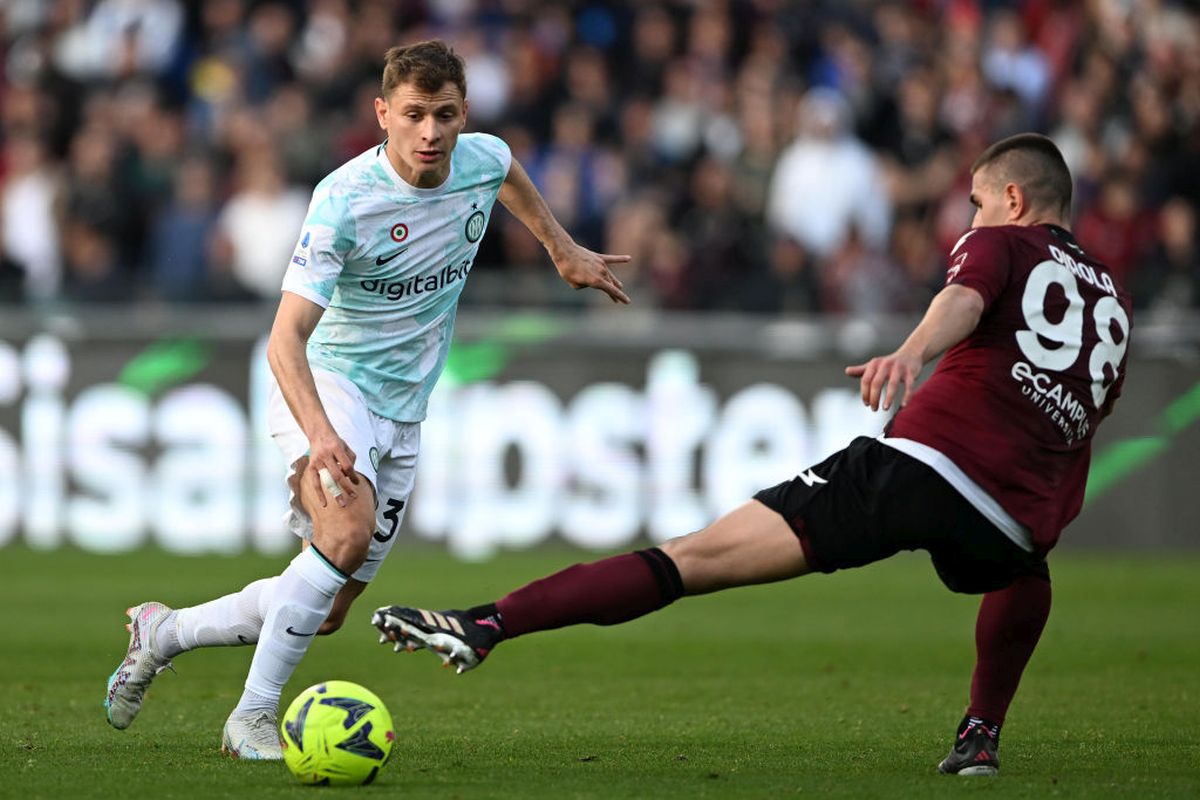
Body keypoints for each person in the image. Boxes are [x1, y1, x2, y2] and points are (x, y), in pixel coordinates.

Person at [372, 133, 1132, 777]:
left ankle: (489, 623)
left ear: (1012, 200)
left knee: (689, 560)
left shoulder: (999, 241)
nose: (971, 213)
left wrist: (909, 351)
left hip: (922, 467)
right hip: (1017, 515)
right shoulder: (1113, 307)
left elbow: (962, 300)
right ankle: (980, 735)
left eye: (976, 200)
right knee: (1026, 574)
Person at [103, 40, 630, 759]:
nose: (430, 133)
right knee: (345, 532)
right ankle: (251, 717)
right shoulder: (344, 200)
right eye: (413, 114)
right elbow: (284, 339)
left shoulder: (481, 158)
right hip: (326, 384)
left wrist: (562, 249)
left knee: (323, 607)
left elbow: (506, 172)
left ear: (463, 114)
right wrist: (320, 435)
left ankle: (163, 633)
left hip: (403, 408)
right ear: (383, 114)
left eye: (445, 115)